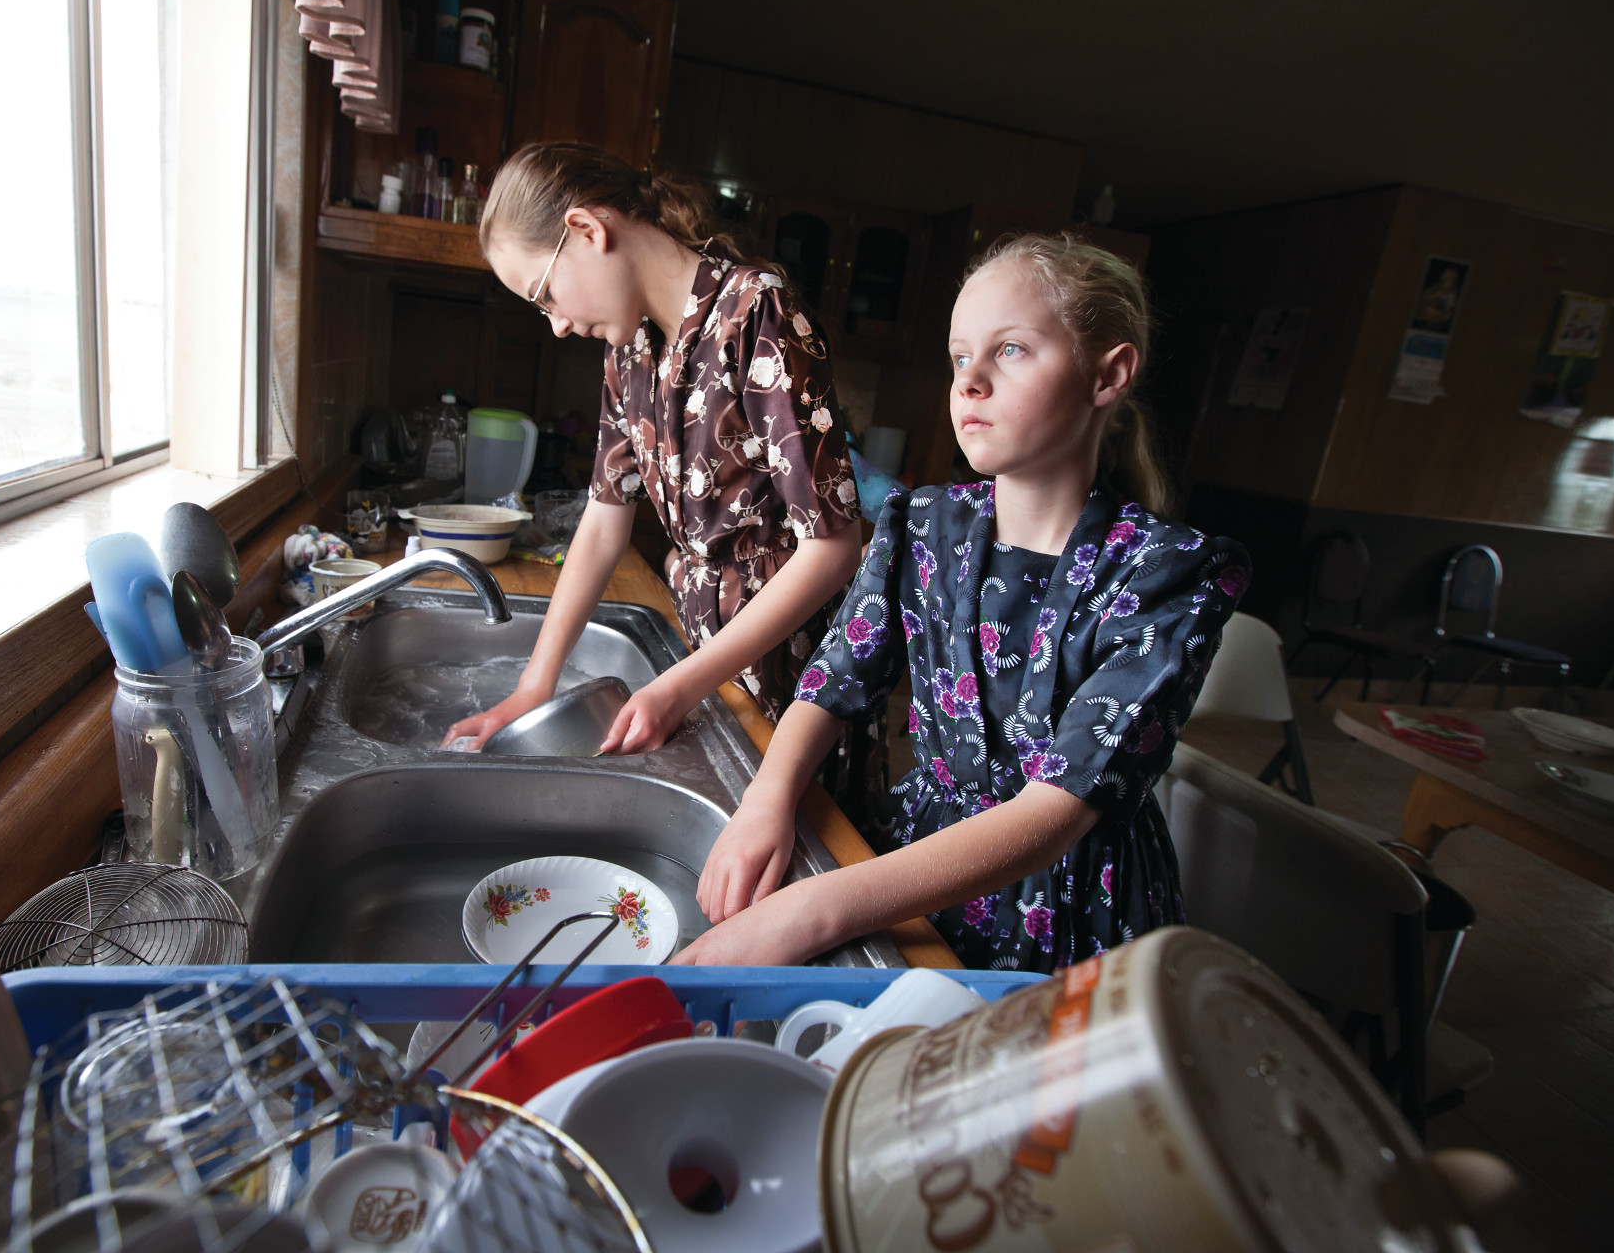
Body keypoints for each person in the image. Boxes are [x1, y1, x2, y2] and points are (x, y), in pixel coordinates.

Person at [678, 233, 1251, 970]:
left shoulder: (1172, 572)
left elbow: (1056, 810)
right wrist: (769, 798)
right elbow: (834, 680)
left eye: (1010, 350)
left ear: (1108, 376)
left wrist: (816, 908)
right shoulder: (922, 525)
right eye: (959, 357)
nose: (969, 381)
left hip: (1071, 907)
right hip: (913, 862)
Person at [443, 143, 867, 757]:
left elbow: (832, 549)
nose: (556, 324)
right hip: (708, 670)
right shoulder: (630, 350)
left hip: (794, 684)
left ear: (587, 230)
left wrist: (677, 690)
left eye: (545, 294)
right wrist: (532, 688)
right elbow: (603, 520)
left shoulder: (755, 313)